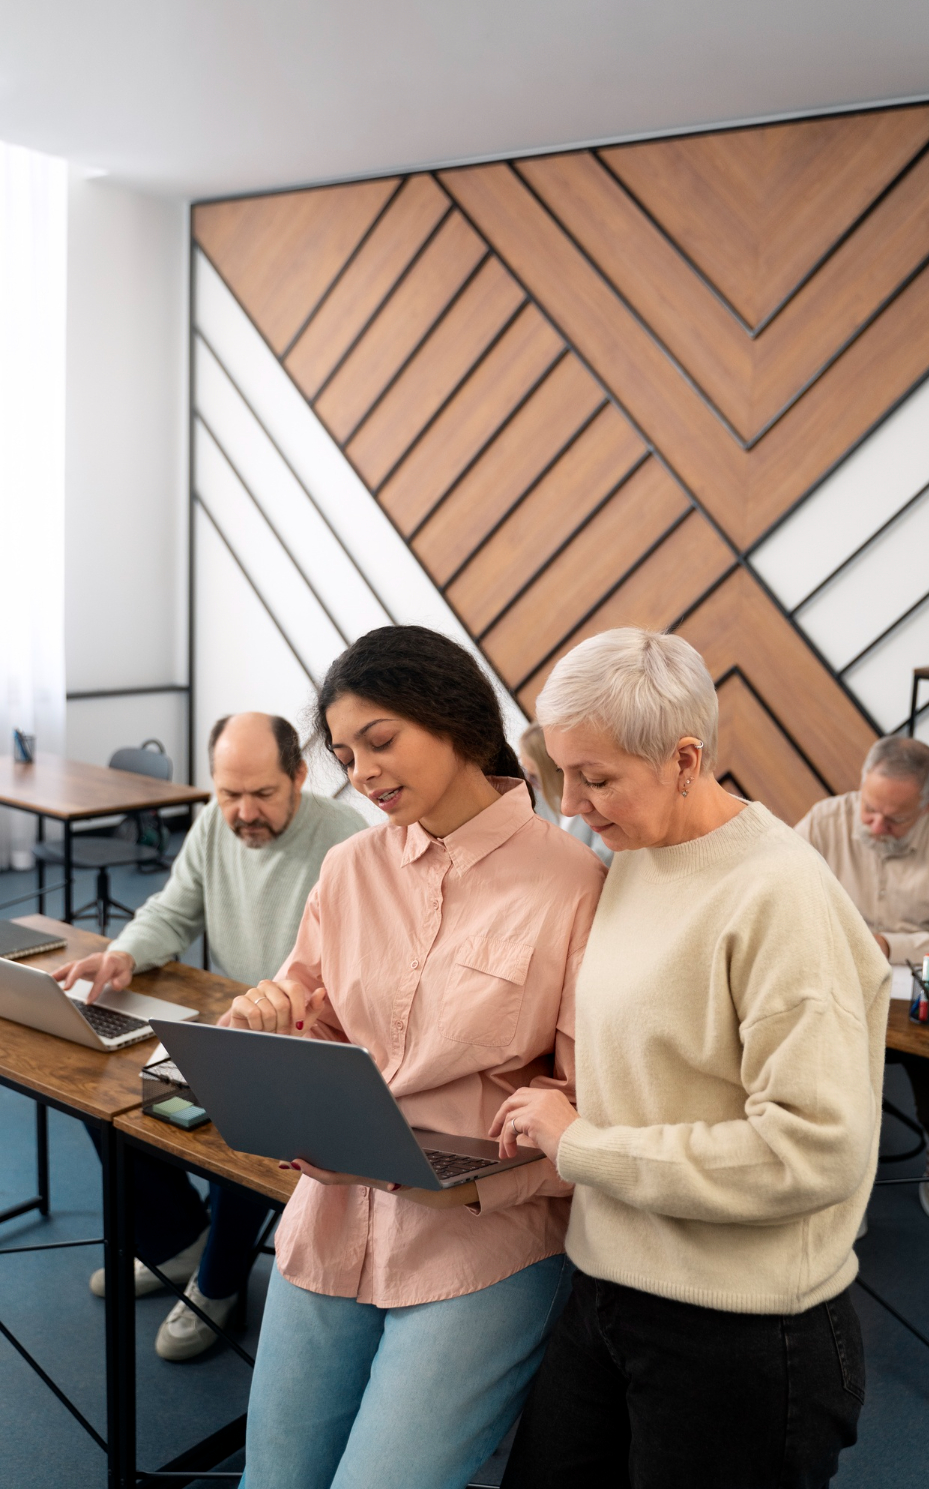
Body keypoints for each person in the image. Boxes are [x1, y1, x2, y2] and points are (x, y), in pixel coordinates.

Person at [491, 628, 888, 1489]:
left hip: (739, 1325)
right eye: (562, 772)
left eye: (595, 779)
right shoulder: (639, 853)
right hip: (607, 1282)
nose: (570, 804)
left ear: (683, 758)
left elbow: (810, 1149)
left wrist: (581, 1145)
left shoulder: (778, 895)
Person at [227, 626, 605, 1489]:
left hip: (480, 1242)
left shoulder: (573, 885)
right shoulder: (348, 867)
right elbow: (317, 1026)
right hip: (329, 1217)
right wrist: (274, 1027)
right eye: (343, 753)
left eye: (380, 741)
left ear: (456, 719)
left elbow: (586, 1110)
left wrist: (469, 1178)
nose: (360, 772)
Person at [53, 712, 364, 1359]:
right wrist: (125, 955)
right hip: (227, 1020)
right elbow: (173, 905)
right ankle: (177, 1244)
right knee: (100, 1091)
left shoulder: (347, 844)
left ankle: (218, 1283)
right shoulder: (214, 826)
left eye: (263, 794)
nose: (244, 812)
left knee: (243, 1121)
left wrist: (284, 1016)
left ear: (300, 777)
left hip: (306, 1040)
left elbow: (358, 976)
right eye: (229, 794)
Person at [796, 736, 929, 1223]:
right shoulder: (824, 820)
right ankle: (842, 1184)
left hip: (926, 993)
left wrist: (892, 946)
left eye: (895, 819)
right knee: (813, 1094)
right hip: (839, 989)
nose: (877, 825)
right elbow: (772, 898)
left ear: (928, 805)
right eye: (869, 809)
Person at [519, 722, 612, 865]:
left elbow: (604, 855)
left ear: (552, 771)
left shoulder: (597, 799)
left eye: (534, 777)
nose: (531, 784)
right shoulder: (547, 807)